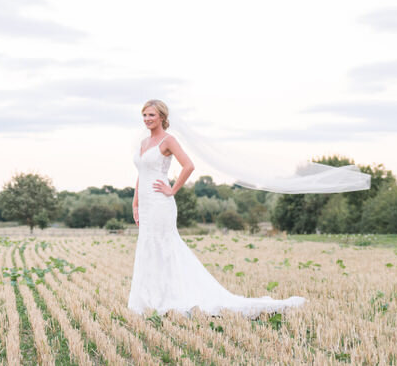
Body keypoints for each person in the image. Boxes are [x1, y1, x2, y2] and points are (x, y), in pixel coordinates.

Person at [128, 99, 305, 316]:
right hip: (145, 203)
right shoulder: (144, 143)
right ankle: (149, 298)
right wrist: (135, 203)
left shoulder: (168, 140)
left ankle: (171, 296)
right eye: (144, 115)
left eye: (151, 115)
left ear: (162, 117)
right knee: (147, 247)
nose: (147, 119)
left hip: (160, 203)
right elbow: (141, 175)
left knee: (164, 247)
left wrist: (172, 190)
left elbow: (189, 165)